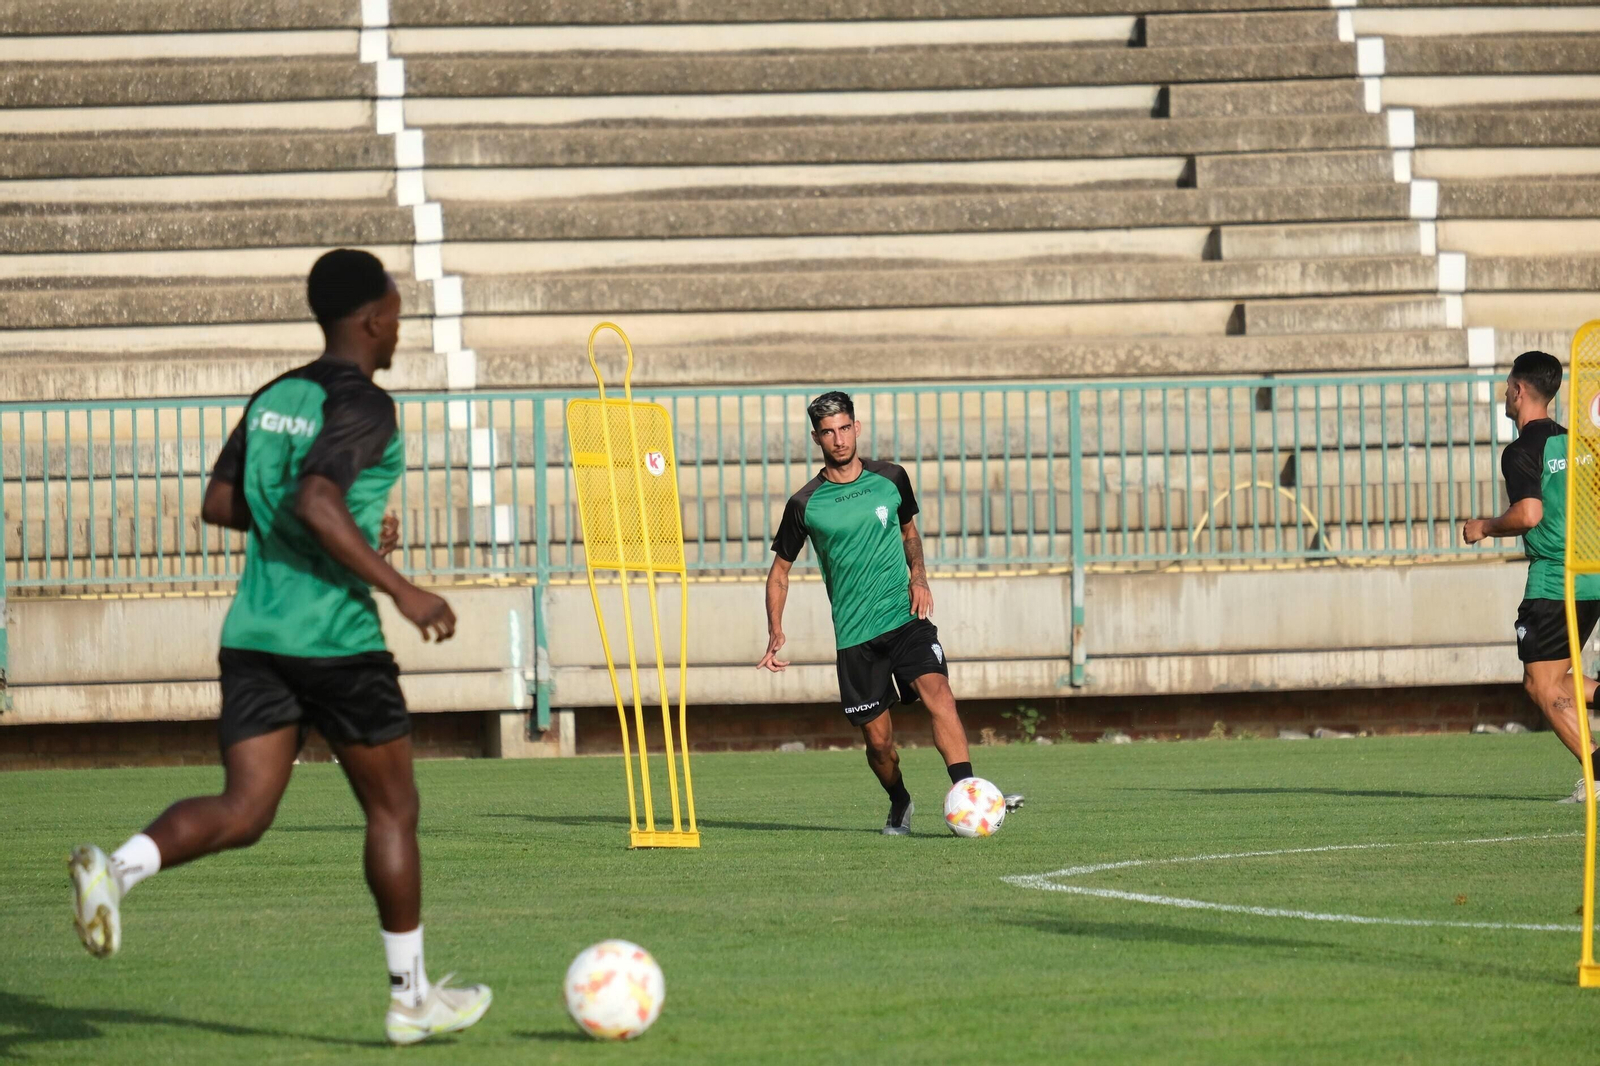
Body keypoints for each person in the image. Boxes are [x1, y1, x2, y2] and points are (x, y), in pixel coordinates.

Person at [67, 249, 492, 1045]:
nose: (399, 330)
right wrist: (402, 588)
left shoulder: (275, 396)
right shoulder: (365, 404)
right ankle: (410, 1000)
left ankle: (116, 870)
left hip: (255, 634)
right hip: (334, 636)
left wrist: (349, 530)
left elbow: (222, 503)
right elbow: (316, 499)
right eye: (397, 316)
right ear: (373, 319)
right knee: (393, 809)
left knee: (245, 810)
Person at [758, 390, 1021, 834]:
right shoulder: (804, 504)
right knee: (879, 745)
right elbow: (779, 572)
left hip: (904, 618)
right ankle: (900, 801)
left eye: (845, 428)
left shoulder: (892, 478)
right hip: (856, 637)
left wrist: (919, 577)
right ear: (816, 438)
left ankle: (970, 793)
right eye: (828, 432)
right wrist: (775, 629)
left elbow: (909, 532)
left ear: (857, 427)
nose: (839, 439)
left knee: (941, 697)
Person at [1464, 350, 1600, 803]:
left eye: (1507, 386)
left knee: (1541, 686)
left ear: (1519, 390)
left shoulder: (1522, 451)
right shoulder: (1578, 444)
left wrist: (1485, 527)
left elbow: (1528, 514)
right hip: (1590, 577)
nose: (1506, 393)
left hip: (1554, 581)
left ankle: (1598, 774)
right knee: (1555, 680)